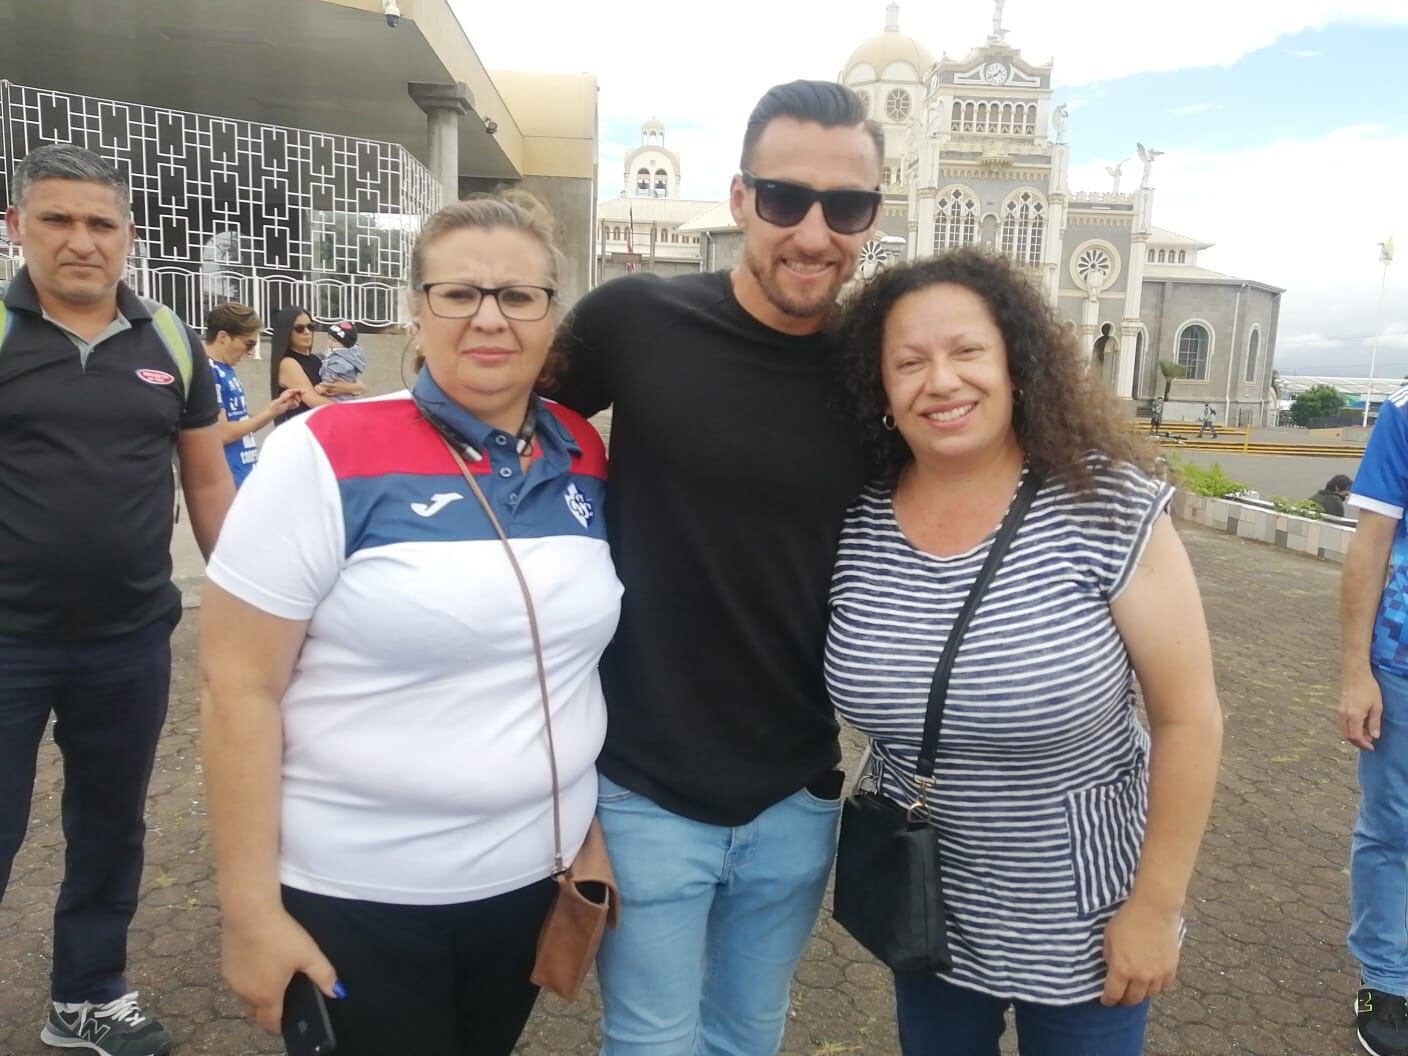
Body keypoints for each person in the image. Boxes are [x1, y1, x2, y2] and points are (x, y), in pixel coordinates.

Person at [200, 192, 622, 1056]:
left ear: (552, 318)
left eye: (519, 295)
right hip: (360, 897)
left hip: (526, 886)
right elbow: (236, 688)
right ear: (415, 313)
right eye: (458, 293)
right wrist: (248, 914)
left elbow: (564, 659)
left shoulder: (583, 450)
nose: (489, 318)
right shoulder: (322, 452)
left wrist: (590, 831)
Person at [827, 249, 1223, 1056]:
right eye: (910, 362)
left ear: (1015, 364)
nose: (941, 382)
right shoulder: (855, 520)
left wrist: (1155, 906)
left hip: (1087, 910)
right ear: (882, 389)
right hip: (928, 899)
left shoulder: (1106, 504)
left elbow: (1189, 718)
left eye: (967, 351)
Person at [551, 80, 875, 1054]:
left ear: (871, 219)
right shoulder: (635, 322)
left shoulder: (879, 366)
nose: (813, 232)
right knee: (651, 1041)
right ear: (739, 199)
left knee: (748, 1035)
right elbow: (507, 434)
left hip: (795, 788)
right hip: (645, 785)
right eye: (784, 199)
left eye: (846, 207)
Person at [0, 143, 233, 1056]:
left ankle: (86, 997)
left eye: (100, 223)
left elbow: (208, 485)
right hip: (7, 639)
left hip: (130, 640)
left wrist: (254, 605)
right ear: (18, 227)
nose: (80, 241)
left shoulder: (169, 342)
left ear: (128, 237)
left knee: (110, 825)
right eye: (56, 219)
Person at [1338, 387, 1408, 1056]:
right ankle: (1385, 981)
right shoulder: (1406, 411)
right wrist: (1356, 670)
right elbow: (1370, 543)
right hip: (1403, 663)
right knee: (1394, 827)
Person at [203, 302, 303, 487]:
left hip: (243, 476)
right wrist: (270, 413)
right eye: (248, 344)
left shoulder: (224, 368)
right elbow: (222, 432)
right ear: (223, 337)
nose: (249, 352)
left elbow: (238, 421)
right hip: (228, 481)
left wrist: (276, 408)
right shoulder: (208, 371)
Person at [268, 306, 338, 424]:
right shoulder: (287, 363)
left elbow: (356, 387)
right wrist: (349, 410)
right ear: (286, 332)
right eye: (299, 329)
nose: (307, 332)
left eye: (310, 327)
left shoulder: (318, 358)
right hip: (304, 433)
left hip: (323, 427)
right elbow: (314, 401)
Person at [319, 320, 366, 401]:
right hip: (346, 398)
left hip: (335, 399)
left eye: (333, 340)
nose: (329, 343)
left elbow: (331, 377)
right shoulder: (351, 357)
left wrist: (320, 387)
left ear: (344, 344)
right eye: (329, 339)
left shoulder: (340, 360)